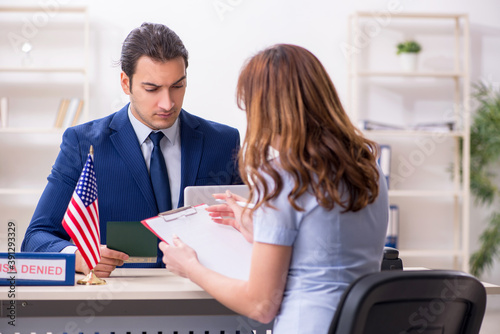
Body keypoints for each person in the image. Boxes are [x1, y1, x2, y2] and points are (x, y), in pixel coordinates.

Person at [160, 44, 389, 333]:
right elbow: (329, 254)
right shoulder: (368, 167)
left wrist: (190, 267)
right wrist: (263, 231)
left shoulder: (281, 177)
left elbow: (260, 305)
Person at [21, 22, 241, 277]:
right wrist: (78, 258)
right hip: (117, 304)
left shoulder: (224, 142)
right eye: (152, 89)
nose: (167, 103)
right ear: (126, 83)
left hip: (204, 298)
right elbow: (36, 238)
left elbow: (248, 228)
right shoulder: (82, 144)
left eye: (177, 86)